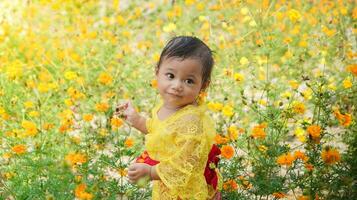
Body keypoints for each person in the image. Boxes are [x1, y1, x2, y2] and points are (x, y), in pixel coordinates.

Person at [115, 36, 221, 200]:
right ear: (157, 72)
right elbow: (160, 130)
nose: (177, 86)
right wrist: (136, 120)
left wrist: (151, 171)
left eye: (189, 81)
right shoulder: (168, 106)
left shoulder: (191, 122)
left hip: (184, 191)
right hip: (167, 184)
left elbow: (185, 164)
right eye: (171, 76)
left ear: (203, 85)